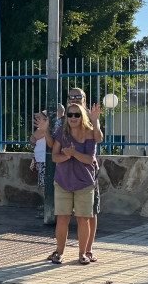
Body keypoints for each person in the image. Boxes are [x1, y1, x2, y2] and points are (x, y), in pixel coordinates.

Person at [36, 88, 103, 261]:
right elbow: (53, 147)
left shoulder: (91, 118)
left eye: (78, 97)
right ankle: (59, 252)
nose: (73, 117)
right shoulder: (61, 124)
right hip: (64, 179)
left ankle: (86, 251)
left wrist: (95, 121)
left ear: (84, 98)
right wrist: (45, 132)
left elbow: (98, 139)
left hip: (86, 177)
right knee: (63, 217)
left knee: (88, 215)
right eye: (71, 97)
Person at [29, 111, 48, 218]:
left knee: (44, 186)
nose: (37, 120)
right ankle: (46, 205)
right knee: (42, 185)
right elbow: (32, 140)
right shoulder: (43, 129)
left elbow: (34, 137)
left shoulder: (46, 129)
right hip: (41, 160)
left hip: (45, 160)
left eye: (39, 118)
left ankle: (47, 207)